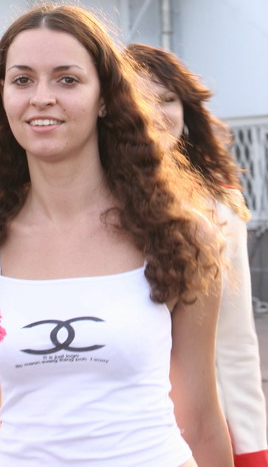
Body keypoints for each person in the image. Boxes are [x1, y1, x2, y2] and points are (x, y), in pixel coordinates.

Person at [0, 4, 234, 466]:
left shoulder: (178, 235)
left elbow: (202, 423)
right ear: (2, 97)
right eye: (23, 80)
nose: (42, 97)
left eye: (67, 79)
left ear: (104, 97)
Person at [125, 42, 268, 467]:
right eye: (140, 99)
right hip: (112, 419)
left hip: (196, 421)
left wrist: (251, 443)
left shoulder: (217, 206)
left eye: (168, 99)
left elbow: (234, 336)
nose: (157, 112)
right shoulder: (76, 202)